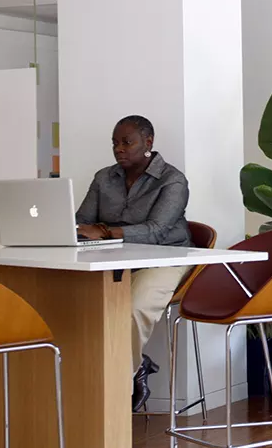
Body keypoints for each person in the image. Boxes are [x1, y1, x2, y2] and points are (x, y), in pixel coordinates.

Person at [74, 115, 192, 412]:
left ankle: (114, 393)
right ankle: (134, 369)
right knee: (70, 301)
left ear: (148, 143)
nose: (119, 149)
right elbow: (81, 221)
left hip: (168, 256)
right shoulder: (104, 177)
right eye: (115, 143)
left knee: (132, 307)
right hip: (112, 258)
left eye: (127, 142)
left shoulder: (172, 180)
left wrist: (104, 231)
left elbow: (157, 231)